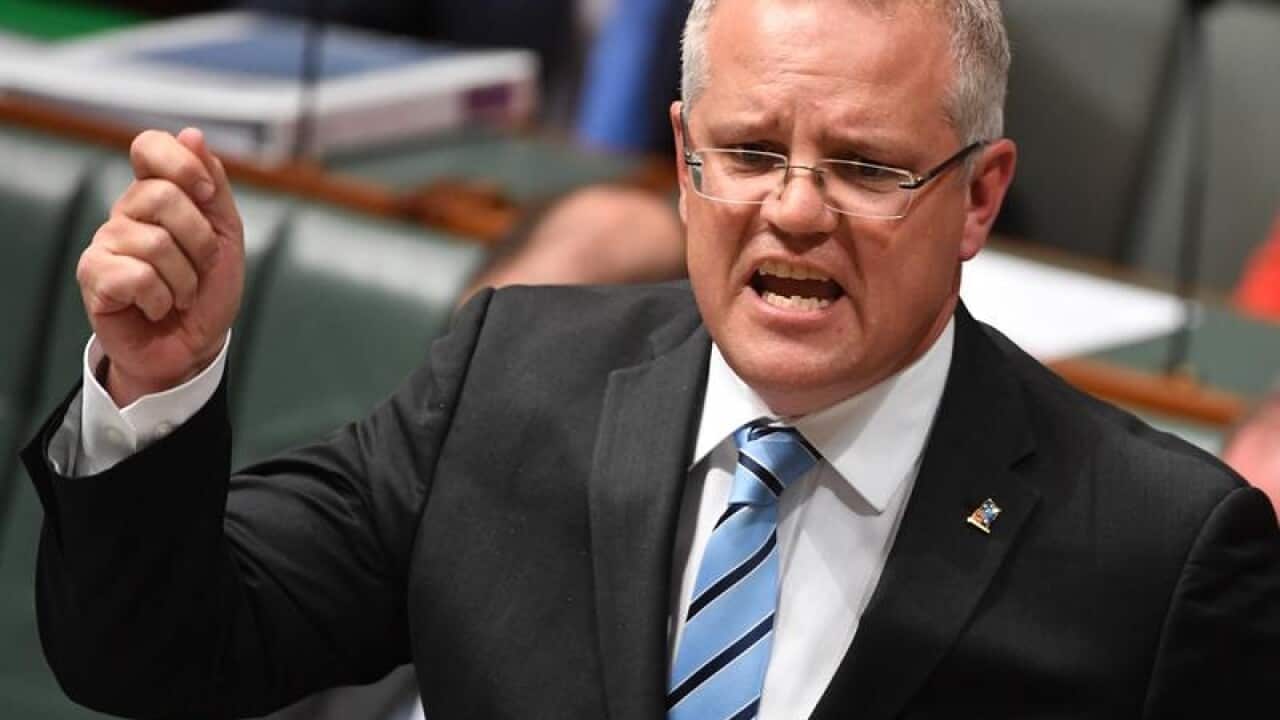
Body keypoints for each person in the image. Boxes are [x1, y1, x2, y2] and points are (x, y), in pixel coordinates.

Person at [21, 1, 1279, 719]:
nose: (794, 210)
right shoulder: (507, 381)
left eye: (865, 167)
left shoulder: (1160, 554)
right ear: (682, 158)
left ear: (978, 196)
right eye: (746, 153)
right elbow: (158, 653)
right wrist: (156, 386)